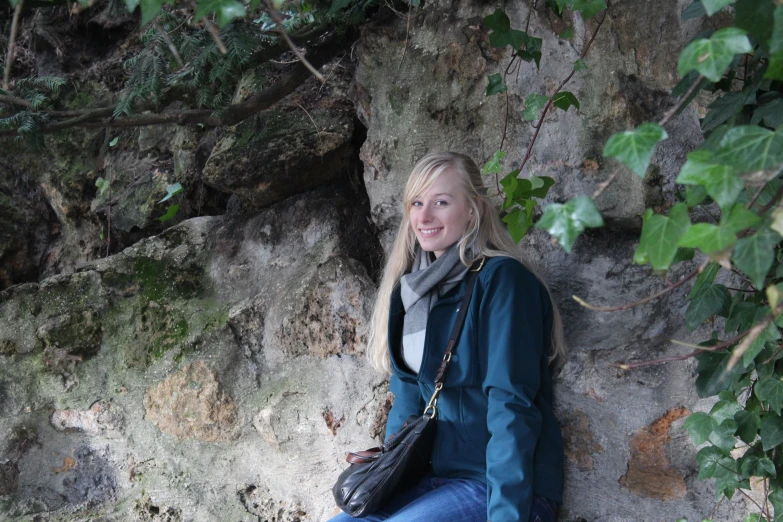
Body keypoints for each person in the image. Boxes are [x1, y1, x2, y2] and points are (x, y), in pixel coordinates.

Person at [330, 152, 565, 522]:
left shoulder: (502, 282)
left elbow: (512, 405)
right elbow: (408, 398)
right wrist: (387, 480)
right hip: (431, 481)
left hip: (496, 486)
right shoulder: (410, 292)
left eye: (441, 202)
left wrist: (507, 515)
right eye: (417, 203)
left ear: (472, 209)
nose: (424, 217)